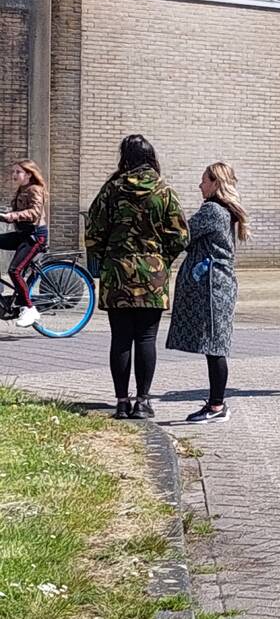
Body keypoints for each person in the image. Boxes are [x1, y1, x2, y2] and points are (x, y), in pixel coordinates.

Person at [85, 135, 189, 420]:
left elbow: (92, 233)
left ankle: (121, 402)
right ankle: (142, 401)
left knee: (120, 339)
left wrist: (107, 258)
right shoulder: (163, 191)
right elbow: (181, 236)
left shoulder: (111, 189)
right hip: (152, 276)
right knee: (146, 338)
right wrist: (161, 260)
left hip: (117, 273)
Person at [166, 162, 250, 424]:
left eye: (203, 180)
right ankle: (216, 403)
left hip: (213, 286)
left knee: (215, 346)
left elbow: (183, 235)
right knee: (215, 345)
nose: (199, 185)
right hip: (217, 284)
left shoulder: (213, 210)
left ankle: (216, 406)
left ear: (215, 183)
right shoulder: (222, 210)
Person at [0, 160, 48, 327]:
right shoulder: (22, 189)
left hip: (35, 237)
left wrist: (11, 216)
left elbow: (34, 213)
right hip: (23, 234)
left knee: (15, 270)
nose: (14, 175)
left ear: (28, 174)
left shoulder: (35, 189)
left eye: (18, 172)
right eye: (13, 172)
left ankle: (29, 309)